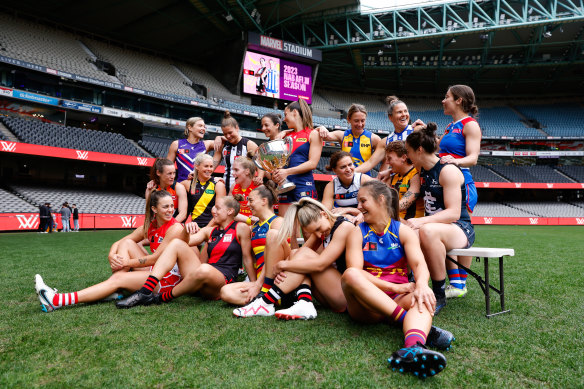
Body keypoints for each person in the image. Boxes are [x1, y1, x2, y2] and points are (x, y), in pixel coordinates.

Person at [341, 180, 453, 378]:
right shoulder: (357, 233)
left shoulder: (402, 230)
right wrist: (394, 287)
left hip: (398, 298)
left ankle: (413, 350)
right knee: (350, 274)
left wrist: (421, 286)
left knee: (423, 297)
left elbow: (419, 265)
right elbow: (356, 271)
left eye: (363, 201)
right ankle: (409, 323)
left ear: (381, 200)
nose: (358, 207)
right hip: (366, 306)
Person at [34, 190, 188, 312]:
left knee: (118, 279)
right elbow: (119, 242)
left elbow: (154, 259)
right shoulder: (150, 226)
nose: (170, 210)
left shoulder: (175, 228)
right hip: (155, 271)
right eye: (165, 206)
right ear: (154, 208)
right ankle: (116, 288)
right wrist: (111, 255)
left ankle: (56, 301)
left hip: (166, 280)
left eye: (171, 206)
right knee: (127, 243)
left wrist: (127, 262)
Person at [116, 195, 253, 308]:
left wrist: (254, 284)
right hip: (200, 278)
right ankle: (145, 291)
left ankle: (162, 298)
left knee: (204, 268)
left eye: (217, 208)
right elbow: (185, 242)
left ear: (229, 211)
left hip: (221, 280)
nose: (213, 210)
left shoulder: (240, 228)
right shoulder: (209, 231)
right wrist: (186, 231)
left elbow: (247, 258)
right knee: (177, 243)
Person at [233, 197, 353, 319]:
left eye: (317, 229)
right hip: (329, 295)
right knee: (297, 252)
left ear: (324, 214)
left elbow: (320, 264)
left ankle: (266, 302)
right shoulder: (323, 229)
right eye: (313, 232)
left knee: (304, 254)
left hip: (346, 297)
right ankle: (304, 302)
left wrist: (283, 265)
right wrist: (285, 265)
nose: (317, 235)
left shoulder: (344, 227)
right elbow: (296, 255)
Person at [404, 123, 475, 315]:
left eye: (408, 152)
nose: (407, 157)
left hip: (459, 227)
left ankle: (438, 295)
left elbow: (453, 213)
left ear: (419, 150)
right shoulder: (422, 171)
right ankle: (410, 285)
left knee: (426, 229)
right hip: (436, 228)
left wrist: (421, 221)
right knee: (404, 233)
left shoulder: (447, 170)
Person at [438, 85, 482, 299]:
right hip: (445, 182)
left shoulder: (470, 125)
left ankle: (459, 283)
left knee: (460, 228)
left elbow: (473, 158)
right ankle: (454, 283)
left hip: (463, 182)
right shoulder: (449, 126)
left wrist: (454, 161)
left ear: (459, 100)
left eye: (447, 97)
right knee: (445, 230)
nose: (443, 100)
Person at [220, 182, 282, 305]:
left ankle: (268, 296)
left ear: (264, 201)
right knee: (225, 291)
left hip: (276, 279)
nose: (248, 205)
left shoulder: (277, 222)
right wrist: (254, 283)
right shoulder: (254, 227)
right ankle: (262, 299)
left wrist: (259, 283)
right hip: (259, 281)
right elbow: (251, 259)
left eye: (251, 200)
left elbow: (282, 257)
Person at [272, 99, 322, 217]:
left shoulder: (313, 134)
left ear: (295, 112)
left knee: (306, 228)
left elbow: (312, 163)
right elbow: (278, 162)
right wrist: (276, 173)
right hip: (284, 185)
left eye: (285, 114)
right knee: (285, 226)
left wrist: (287, 172)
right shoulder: (285, 136)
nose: (284, 119)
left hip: (304, 184)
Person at [356, 96, 424, 178]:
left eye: (405, 111)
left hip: (418, 180)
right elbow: (370, 163)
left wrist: (428, 130)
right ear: (390, 117)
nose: (404, 115)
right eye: (399, 112)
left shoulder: (417, 130)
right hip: (397, 184)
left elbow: (433, 150)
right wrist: (350, 171)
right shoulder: (386, 141)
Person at [320, 104, 383, 175]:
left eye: (363, 121)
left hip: (364, 181)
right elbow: (322, 135)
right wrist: (321, 128)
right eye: (356, 121)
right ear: (348, 119)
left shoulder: (374, 139)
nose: (360, 124)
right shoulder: (342, 135)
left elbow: (385, 159)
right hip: (345, 179)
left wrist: (380, 178)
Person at [322, 150, 373, 224]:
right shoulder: (331, 186)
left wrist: (348, 210)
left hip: (364, 216)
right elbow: (326, 213)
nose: (348, 169)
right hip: (343, 219)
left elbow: (373, 209)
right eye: (343, 167)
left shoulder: (364, 180)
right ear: (334, 170)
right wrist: (344, 215)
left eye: (350, 164)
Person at [212, 111, 258, 192]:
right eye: (225, 134)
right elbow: (213, 163)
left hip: (244, 191)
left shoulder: (249, 144)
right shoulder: (223, 144)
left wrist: (259, 177)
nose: (228, 136)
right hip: (225, 189)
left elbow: (260, 165)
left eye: (230, 132)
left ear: (237, 128)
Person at [181, 153, 226, 231]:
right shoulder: (187, 184)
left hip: (212, 227)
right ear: (197, 166)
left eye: (211, 166)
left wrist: (205, 230)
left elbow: (220, 214)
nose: (209, 169)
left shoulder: (218, 185)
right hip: (193, 227)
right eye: (206, 166)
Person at [383, 141, 425, 220]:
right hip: (395, 220)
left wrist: (377, 210)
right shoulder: (393, 176)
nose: (387, 162)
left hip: (411, 224)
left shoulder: (416, 175)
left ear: (403, 158)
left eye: (389, 158)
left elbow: (403, 205)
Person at [167, 117, 215, 183]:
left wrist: (219, 137)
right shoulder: (176, 144)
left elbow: (227, 139)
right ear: (190, 127)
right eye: (200, 126)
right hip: (181, 186)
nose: (203, 129)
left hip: (200, 187)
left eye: (204, 127)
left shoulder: (206, 144)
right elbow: (167, 168)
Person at [145, 158, 188, 223]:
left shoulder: (179, 188)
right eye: (169, 173)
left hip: (175, 225)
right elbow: (149, 213)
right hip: (158, 225)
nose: (172, 176)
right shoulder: (151, 189)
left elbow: (183, 214)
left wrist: (168, 227)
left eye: (174, 173)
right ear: (158, 172)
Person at [231, 157, 259, 224]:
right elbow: (228, 211)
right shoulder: (233, 186)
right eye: (233, 170)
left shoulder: (259, 188)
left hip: (255, 227)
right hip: (239, 225)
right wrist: (248, 220)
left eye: (236, 170)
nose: (232, 173)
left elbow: (267, 215)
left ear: (247, 171)